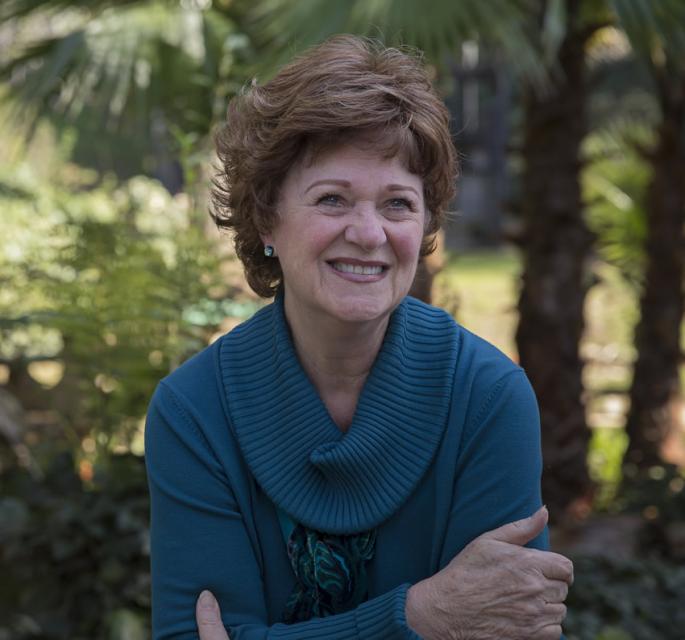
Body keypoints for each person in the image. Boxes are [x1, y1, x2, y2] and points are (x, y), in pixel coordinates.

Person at [145, 34, 573, 640]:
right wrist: (423, 618)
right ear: (267, 217)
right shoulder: (194, 412)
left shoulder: (486, 396)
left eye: (397, 204)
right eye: (332, 199)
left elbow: (507, 629)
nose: (369, 233)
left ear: (425, 223)